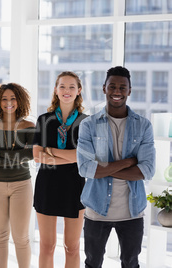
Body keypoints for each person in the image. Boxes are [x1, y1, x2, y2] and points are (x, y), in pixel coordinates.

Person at [77, 66, 156, 268]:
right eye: (112, 86)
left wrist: (104, 169)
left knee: (131, 263)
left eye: (122, 87)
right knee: (92, 263)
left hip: (132, 211)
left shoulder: (143, 125)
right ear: (104, 88)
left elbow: (146, 170)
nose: (117, 91)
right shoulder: (89, 125)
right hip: (96, 209)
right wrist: (129, 162)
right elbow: (85, 169)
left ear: (130, 90)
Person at [33, 71, 87, 268]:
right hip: (47, 186)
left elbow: (85, 158)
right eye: (62, 86)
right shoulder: (43, 119)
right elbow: (37, 156)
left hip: (75, 188)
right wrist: (73, 156)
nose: (67, 91)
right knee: (47, 246)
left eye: (72, 87)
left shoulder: (87, 123)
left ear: (79, 91)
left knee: (72, 247)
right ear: (56, 90)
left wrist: (52, 152)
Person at [0, 83, 35, 268]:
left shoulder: (29, 125)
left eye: (12, 98)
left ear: (20, 100)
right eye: (4, 98)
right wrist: (15, 156)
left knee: (21, 237)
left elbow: (31, 155)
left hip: (21, 185)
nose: (9, 102)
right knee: (0, 235)